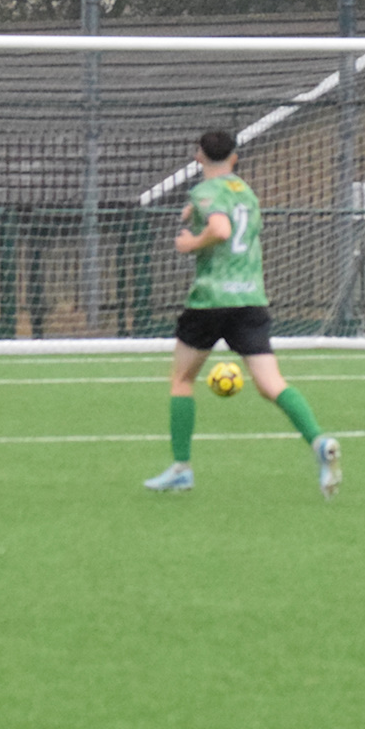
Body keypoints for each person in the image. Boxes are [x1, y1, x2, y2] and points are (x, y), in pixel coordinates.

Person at [143, 130, 342, 496]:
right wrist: (197, 213)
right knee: (271, 385)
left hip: (210, 301)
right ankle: (318, 441)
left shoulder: (204, 191)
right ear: (234, 158)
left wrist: (191, 243)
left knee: (182, 381)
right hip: (250, 299)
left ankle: (181, 469)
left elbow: (220, 228)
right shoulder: (247, 193)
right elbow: (229, 219)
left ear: (197, 156)